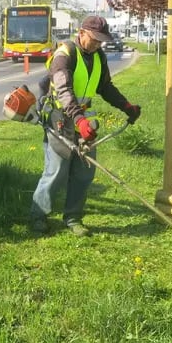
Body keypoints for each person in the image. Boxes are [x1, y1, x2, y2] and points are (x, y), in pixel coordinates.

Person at [29, 15, 141, 236]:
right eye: (95, 38)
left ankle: (73, 217)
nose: (99, 43)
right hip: (60, 118)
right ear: (81, 33)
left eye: (101, 39)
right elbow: (63, 91)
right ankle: (38, 216)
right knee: (56, 172)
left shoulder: (99, 56)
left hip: (83, 120)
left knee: (84, 172)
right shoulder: (65, 55)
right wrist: (79, 120)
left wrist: (126, 106)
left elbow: (105, 87)